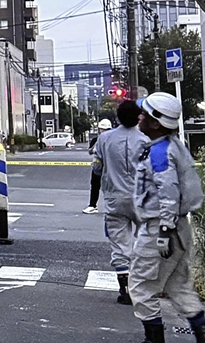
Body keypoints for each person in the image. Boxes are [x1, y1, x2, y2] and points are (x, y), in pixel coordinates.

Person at [130, 92, 205, 343]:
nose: (139, 117)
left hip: (161, 230)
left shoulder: (160, 152)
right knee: (178, 287)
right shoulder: (171, 147)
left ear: (155, 123)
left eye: (145, 114)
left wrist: (163, 230)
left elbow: (168, 191)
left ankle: (154, 340)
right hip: (178, 227)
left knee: (141, 286)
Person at [92, 103, 144, 304]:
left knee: (120, 244)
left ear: (117, 118)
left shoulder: (105, 139)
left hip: (115, 197)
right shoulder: (145, 139)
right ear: (138, 117)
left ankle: (125, 289)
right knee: (145, 241)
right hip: (142, 198)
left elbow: (97, 169)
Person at [83, 118, 114, 214]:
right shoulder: (96, 139)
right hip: (97, 166)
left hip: (110, 166)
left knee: (110, 186)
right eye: (102, 129)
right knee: (95, 185)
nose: (103, 131)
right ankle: (92, 205)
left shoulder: (113, 140)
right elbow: (90, 151)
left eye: (106, 130)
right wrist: (97, 143)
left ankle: (112, 207)